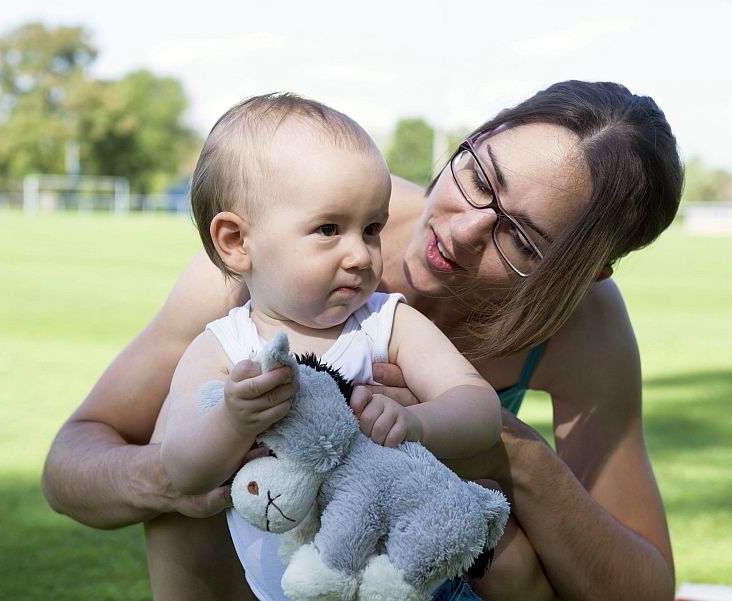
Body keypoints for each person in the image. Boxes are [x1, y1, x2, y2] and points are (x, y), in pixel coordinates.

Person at [41, 80, 683, 601]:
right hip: (266, 563)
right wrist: (185, 470)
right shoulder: (276, 254)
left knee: (509, 553)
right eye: (481, 177)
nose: (462, 230)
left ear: (586, 271)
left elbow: (640, 588)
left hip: (410, 566)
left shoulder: (584, 326)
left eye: (520, 238)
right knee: (184, 514)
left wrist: (509, 455)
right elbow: (71, 466)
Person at [158, 94, 503, 600]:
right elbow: (182, 469)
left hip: (407, 585)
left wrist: (419, 422)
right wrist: (231, 421)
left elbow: (480, 408)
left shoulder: (386, 322)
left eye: (372, 229)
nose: (361, 255)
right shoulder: (223, 349)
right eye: (328, 229)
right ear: (236, 241)